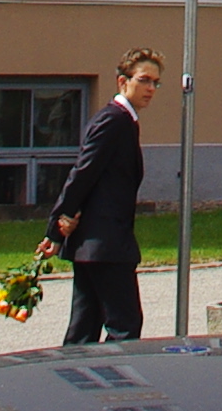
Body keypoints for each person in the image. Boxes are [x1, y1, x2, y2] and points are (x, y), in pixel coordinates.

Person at [49, 51, 163, 344]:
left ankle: (76, 380)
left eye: (155, 82)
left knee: (85, 327)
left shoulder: (122, 121)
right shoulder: (114, 120)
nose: (150, 88)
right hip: (106, 244)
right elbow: (83, 173)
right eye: (144, 80)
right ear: (122, 81)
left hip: (96, 243)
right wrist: (57, 225)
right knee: (125, 324)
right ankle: (112, 382)